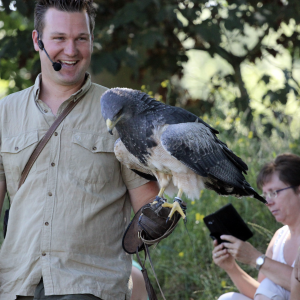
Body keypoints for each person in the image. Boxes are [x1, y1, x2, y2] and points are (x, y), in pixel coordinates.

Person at [0, 1, 159, 300]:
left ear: (91, 40)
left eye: (81, 39)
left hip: (90, 286)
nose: (71, 51)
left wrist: (166, 206)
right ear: (38, 40)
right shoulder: (4, 113)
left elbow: (148, 210)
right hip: (16, 284)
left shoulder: (121, 112)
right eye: (59, 38)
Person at [212, 153, 300, 300]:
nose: (268, 202)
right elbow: (261, 293)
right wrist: (231, 268)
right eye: (265, 195)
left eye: (274, 193)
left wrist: (256, 258)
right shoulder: (279, 237)